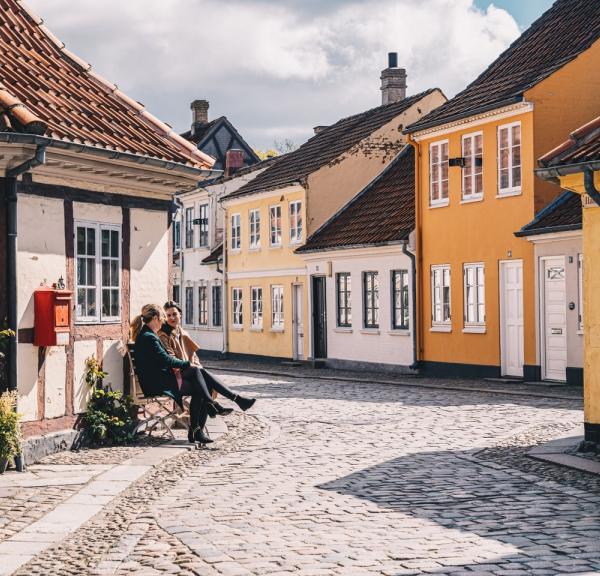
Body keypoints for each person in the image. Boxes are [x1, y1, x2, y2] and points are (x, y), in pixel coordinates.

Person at [130, 304, 223, 445]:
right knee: (200, 383)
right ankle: (199, 426)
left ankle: (200, 426)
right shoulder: (149, 337)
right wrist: (186, 364)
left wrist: (187, 365)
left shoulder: (147, 335)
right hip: (156, 385)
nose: (163, 321)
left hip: (159, 380)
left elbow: (163, 360)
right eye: (163, 317)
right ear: (155, 318)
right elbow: (166, 360)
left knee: (201, 382)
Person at [158, 301, 255, 418]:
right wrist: (195, 368)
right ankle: (232, 400)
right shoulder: (163, 335)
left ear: (180, 314)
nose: (172, 318)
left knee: (205, 381)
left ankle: (198, 431)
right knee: (201, 383)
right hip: (175, 375)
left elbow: (194, 356)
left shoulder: (183, 333)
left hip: (188, 373)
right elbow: (171, 359)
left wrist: (197, 367)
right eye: (168, 315)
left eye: (174, 314)